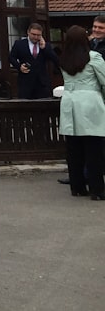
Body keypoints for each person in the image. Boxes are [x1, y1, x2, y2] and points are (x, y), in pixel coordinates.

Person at [58, 25, 105, 199]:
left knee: (74, 148)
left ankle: (77, 187)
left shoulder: (64, 59)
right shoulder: (93, 57)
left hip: (69, 102)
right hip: (90, 102)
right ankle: (97, 190)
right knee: (94, 149)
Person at [8, 22, 58, 99]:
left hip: (42, 84)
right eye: (33, 34)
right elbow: (11, 58)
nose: (35, 37)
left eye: (38, 35)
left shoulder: (45, 45)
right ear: (28, 32)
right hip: (25, 83)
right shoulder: (19, 44)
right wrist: (19, 67)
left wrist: (44, 48)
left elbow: (55, 59)